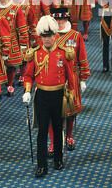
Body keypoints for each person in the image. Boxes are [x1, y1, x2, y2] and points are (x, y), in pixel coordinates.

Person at [22, 15, 75, 178]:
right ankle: (42, 165)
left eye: (50, 36)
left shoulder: (63, 53)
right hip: (42, 96)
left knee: (59, 129)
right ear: (41, 37)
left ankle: (58, 159)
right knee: (42, 131)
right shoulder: (35, 54)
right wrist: (27, 91)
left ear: (55, 36)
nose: (47, 39)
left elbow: (70, 76)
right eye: (44, 36)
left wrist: (72, 94)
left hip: (59, 95)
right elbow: (28, 75)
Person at [48, 7, 90, 154]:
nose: (60, 22)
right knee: (52, 112)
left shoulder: (76, 36)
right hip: (52, 78)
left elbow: (82, 57)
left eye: (63, 19)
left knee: (71, 110)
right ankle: (53, 142)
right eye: (57, 20)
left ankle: (69, 136)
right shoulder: (48, 36)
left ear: (67, 20)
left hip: (71, 78)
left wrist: (83, 78)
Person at [0, 0, 29, 96]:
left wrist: (23, 43)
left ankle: (10, 84)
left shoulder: (16, 9)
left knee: (11, 65)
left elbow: (22, 27)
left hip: (12, 40)